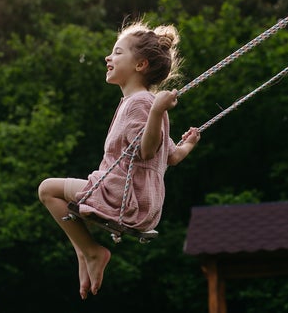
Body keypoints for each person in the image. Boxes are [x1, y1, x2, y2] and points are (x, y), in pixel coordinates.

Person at [38, 20, 200, 300]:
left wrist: (158, 110)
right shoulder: (146, 104)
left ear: (140, 65)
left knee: (47, 190)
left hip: (124, 197)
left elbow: (146, 151)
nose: (107, 57)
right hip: (143, 204)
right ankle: (84, 252)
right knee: (66, 205)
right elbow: (171, 157)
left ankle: (90, 252)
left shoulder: (142, 103)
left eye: (117, 52)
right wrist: (188, 145)